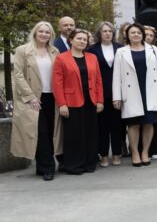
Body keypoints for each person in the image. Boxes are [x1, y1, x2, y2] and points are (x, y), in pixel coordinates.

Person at [11, 21, 61, 181]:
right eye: (41, 31)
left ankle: (41, 166)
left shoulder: (55, 51)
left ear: (51, 35)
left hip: (52, 97)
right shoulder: (22, 50)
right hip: (33, 97)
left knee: (51, 132)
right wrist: (30, 96)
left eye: (47, 32)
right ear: (35, 32)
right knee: (40, 133)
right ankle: (48, 168)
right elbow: (18, 75)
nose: (44, 34)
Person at [113, 23, 157, 167]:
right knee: (134, 124)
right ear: (127, 35)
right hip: (131, 91)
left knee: (149, 122)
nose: (136, 35)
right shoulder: (121, 51)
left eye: (138, 32)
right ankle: (135, 153)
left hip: (150, 89)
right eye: (132, 33)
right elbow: (116, 75)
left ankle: (145, 152)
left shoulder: (153, 49)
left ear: (143, 34)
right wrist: (116, 96)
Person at [52, 29, 104, 174]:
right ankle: (74, 165)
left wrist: (100, 100)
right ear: (71, 40)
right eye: (79, 38)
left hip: (91, 101)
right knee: (74, 135)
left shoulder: (92, 57)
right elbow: (57, 83)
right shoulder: (61, 58)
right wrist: (62, 104)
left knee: (91, 133)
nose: (82, 41)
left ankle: (89, 163)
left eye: (85, 39)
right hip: (71, 102)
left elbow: (98, 80)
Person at [87, 22, 124, 167]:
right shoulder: (92, 50)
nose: (107, 33)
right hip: (100, 93)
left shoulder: (120, 48)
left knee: (117, 125)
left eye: (110, 31)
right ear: (99, 34)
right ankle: (103, 155)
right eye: (104, 31)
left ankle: (116, 153)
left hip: (117, 92)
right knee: (102, 126)